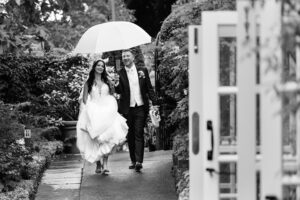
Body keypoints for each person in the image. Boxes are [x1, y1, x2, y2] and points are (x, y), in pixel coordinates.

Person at [76, 59, 128, 175]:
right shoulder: (88, 82)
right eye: (98, 65)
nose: (100, 67)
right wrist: (91, 109)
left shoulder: (107, 81)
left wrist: (115, 83)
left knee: (107, 139)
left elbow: (113, 94)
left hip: (107, 113)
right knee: (95, 140)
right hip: (94, 112)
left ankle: (105, 164)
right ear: (94, 67)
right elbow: (84, 99)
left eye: (102, 66)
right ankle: (98, 163)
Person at [113, 49, 158, 172]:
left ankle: (139, 161)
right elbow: (118, 91)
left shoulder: (142, 70)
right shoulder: (119, 73)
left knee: (138, 133)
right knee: (130, 135)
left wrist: (155, 102)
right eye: (123, 56)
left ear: (133, 57)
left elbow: (149, 87)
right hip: (127, 109)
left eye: (127, 56)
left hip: (140, 107)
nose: (125, 58)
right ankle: (133, 160)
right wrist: (116, 83)